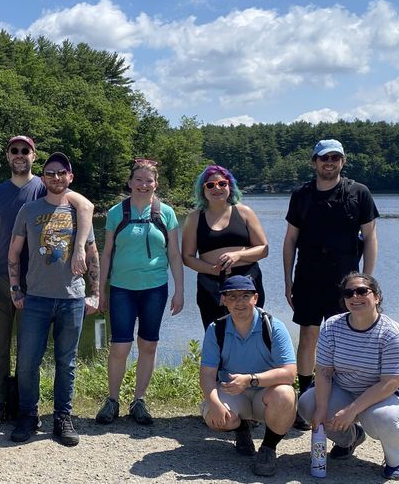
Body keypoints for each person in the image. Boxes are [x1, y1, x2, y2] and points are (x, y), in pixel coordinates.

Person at [0, 135, 94, 427]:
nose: (19, 155)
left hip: (39, 283)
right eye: (14, 151)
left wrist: (80, 248)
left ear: (33, 156)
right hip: (3, 279)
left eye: (25, 151)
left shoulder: (46, 185)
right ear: (8, 156)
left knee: (29, 352)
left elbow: (85, 207)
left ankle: (25, 406)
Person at [284, 139, 379, 429]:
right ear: (314, 161)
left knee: (347, 339)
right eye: (324, 158)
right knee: (308, 337)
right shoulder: (301, 195)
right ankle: (306, 398)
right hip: (308, 277)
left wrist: (366, 282)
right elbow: (290, 240)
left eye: (335, 158)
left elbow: (370, 238)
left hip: (346, 281)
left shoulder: (359, 193)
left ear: (343, 162)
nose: (329, 163)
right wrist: (287, 280)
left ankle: (344, 399)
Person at [8, 152, 99, 447]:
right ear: (43, 178)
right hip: (36, 298)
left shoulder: (80, 211)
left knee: (66, 362)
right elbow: (14, 252)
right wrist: (15, 288)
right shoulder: (29, 210)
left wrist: (95, 292)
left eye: (61, 173)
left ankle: (62, 417)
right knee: (27, 362)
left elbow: (92, 254)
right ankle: (28, 415)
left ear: (70, 177)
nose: (56, 177)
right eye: (50, 173)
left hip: (72, 299)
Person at [298, 273, 399, 480]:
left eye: (362, 291)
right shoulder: (332, 325)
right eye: (349, 293)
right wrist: (321, 410)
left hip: (395, 395)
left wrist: (351, 410)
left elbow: (390, 383)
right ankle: (350, 439)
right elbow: (324, 371)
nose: (355, 296)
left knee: (380, 417)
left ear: (377, 297)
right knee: (308, 405)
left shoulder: (393, 334)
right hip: (348, 389)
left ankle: (396, 458)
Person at [96, 159, 185, 426]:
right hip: (122, 288)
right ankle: (112, 400)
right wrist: (99, 290)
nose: (143, 185)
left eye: (149, 181)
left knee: (148, 344)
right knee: (119, 346)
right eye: (138, 180)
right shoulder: (116, 212)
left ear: (156, 184)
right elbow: (106, 253)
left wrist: (180, 290)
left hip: (155, 288)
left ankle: (139, 401)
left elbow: (174, 254)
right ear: (130, 182)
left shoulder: (166, 213)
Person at [199, 275, 297, 477]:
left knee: (286, 395)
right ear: (224, 300)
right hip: (233, 392)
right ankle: (241, 429)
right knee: (216, 418)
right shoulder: (216, 329)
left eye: (245, 296)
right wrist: (215, 404)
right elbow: (207, 375)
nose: (239, 302)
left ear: (256, 298)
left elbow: (289, 373)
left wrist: (250, 379)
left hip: (266, 394)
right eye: (232, 297)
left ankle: (268, 448)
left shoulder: (273, 326)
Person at [181, 165, 269, 330]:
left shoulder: (244, 212)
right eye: (210, 185)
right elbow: (187, 257)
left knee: (251, 331)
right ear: (203, 190)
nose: (217, 188)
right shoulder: (194, 218)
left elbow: (263, 248)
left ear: (230, 186)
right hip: (211, 284)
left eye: (222, 183)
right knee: (217, 333)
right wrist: (214, 270)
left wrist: (238, 256)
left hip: (247, 280)